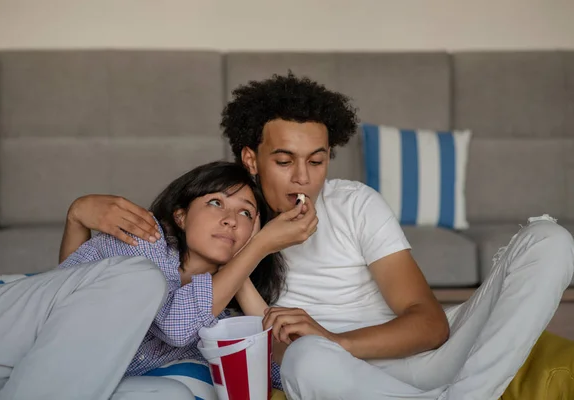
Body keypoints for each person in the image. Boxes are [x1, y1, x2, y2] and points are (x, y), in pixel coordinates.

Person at [66, 73, 574, 400]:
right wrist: (80, 213)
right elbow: (123, 289)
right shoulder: (227, 225)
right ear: (251, 158)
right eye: (284, 161)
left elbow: (429, 324)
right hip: (333, 376)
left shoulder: (355, 203)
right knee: (304, 359)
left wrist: (335, 338)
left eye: (317, 160)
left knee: (550, 240)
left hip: (423, 358)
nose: (304, 179)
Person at [0, 161, 316, 400]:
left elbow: (279, 373)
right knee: (143, 280)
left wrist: (245, 264)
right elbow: (174, 322)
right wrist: (255, 248)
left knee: (169, 395)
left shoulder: (216, 316)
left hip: (42, 376)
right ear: (180, 216)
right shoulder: (145, 239)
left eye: (246, 214)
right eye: (215, 202)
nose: (230, 220)